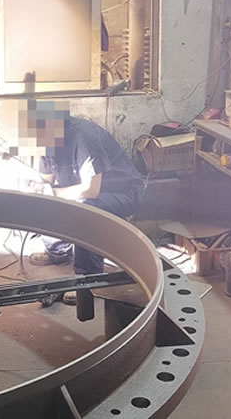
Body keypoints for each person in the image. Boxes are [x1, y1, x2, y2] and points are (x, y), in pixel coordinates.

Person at [21, 100, 144, 309]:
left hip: (121, 193)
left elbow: (91, 190)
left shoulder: (84, 137)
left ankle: (87, 279)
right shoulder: (45, 138)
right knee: (45, 199)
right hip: (85, 192)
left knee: (86, 210)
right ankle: (58, 252)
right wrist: (36, 187)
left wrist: (52, 192)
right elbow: (47, 180)